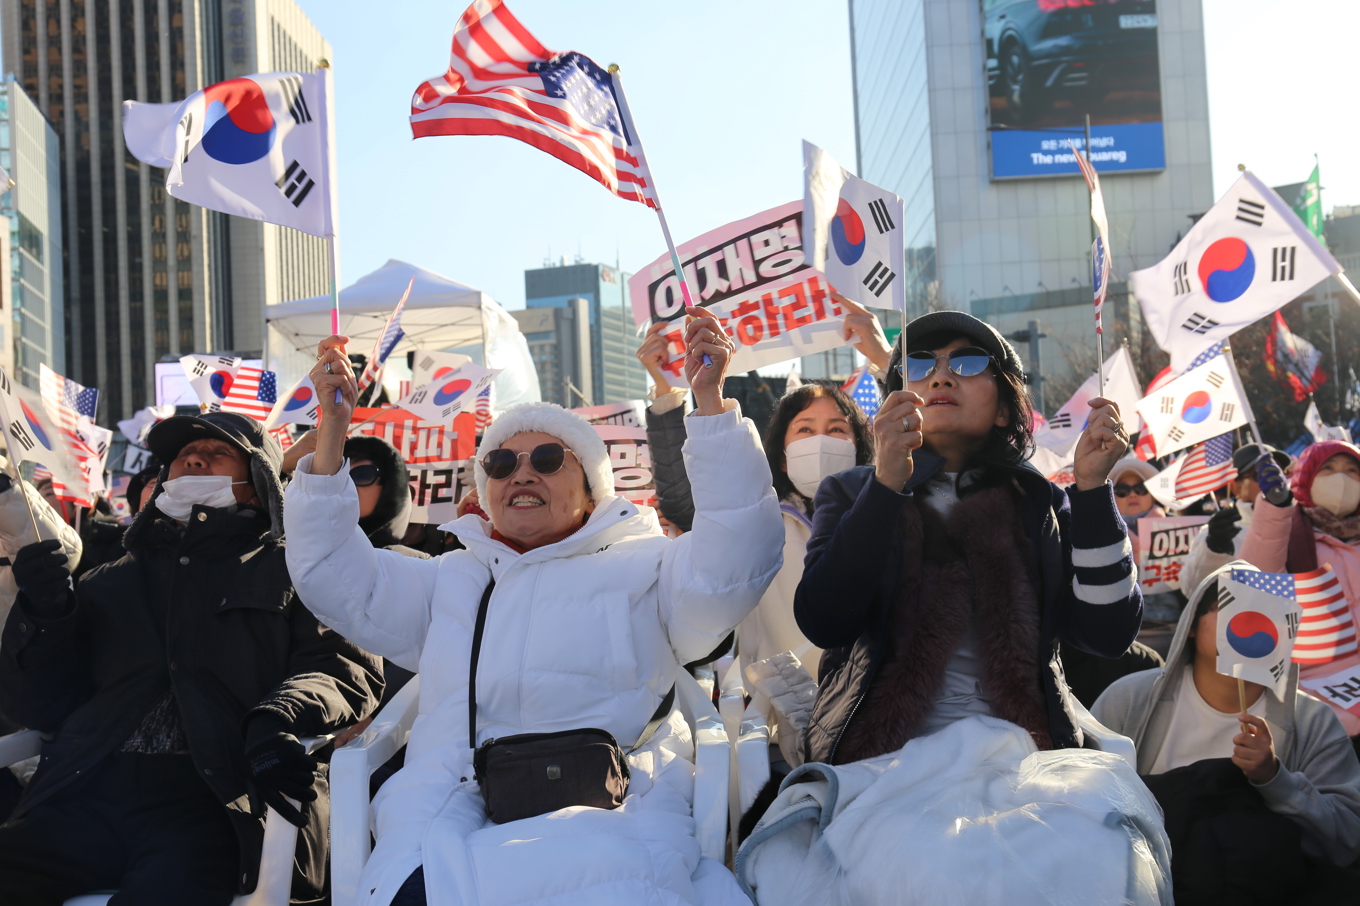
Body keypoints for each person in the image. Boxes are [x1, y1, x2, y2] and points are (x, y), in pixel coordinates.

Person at [286, 306, 784, 906]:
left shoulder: (647, 563)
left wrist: (709, 407)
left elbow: (739, 557)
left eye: (547, 460)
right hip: (453, 794)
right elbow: (334, 577)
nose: (521, 472)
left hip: (616, 794)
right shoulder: (451, 577)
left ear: (592, 487)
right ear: (486, 489)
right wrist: (332, 437)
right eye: (500, 463)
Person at [0, 412, 385, 905]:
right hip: (84, 793)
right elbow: (37, 707)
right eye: (183, 457)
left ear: (259, 479)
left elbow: (342, 667)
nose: (195, 458)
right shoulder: (109, 579)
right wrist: (44, 616)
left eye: (217, 452)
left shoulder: (298, 569)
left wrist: (278, 717)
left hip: (219, 802)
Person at [795, 309, 1142, 765]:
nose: (940, 377)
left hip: (1027, 754)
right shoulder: (850, 490)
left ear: (1004, 410)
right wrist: (885, 489)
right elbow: (825, 621)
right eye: (919, 365)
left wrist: (1094, 491)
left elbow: (1108, 633)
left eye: (968, 362)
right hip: (880, 757)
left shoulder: (1040, 502)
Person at [1093, 567, 1360, 902]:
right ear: (1191, 624)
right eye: (1227, 604)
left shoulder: (1313, 721)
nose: (1246, 619)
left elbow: (1347, 840)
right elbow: (1082, 797)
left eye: (1264, 611)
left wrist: (1275, 779)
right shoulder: (1129, 700)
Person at [738, 383, 874, 767]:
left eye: (835, 429)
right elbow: (693, 502)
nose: (820, 441)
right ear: (782, 458)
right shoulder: (759, 524)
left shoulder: (887, 515)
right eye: (804, 429)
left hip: (880, 716)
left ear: (857, 448)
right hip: (789, 727)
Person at [1241, 440, 1360, 739]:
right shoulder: (1286, 533)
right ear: (1305, 478)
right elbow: (1258, 585)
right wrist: (1276, 510)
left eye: (1351, 470)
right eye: (1328, 469)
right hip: (1313, 688)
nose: (1341, 479)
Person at [1178, 443, 1291, 598]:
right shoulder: (1220, 533)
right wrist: (1215, 549)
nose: (1275, 479)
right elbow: (1191, 589)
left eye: (1280, 471)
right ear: (1236, 487)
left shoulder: (1304, 519)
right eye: (1260, 474)